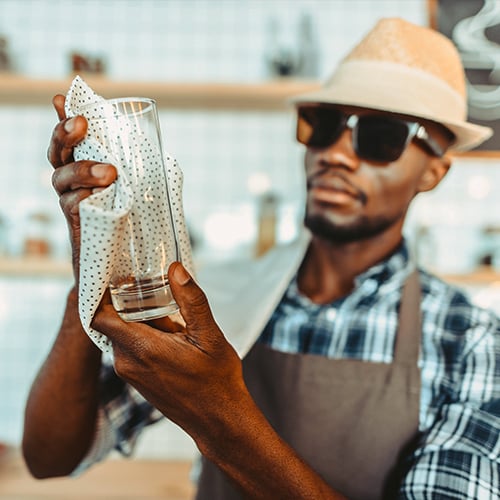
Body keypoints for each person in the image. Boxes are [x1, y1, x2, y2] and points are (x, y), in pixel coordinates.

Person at [22, 17, 500, 499]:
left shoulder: (471, 344)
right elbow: (52, 456)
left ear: (434, 172)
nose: (336, 153)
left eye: (381, 137)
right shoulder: (217, 298)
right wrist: (96, 258)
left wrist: (219, 416)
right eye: (325, 124)